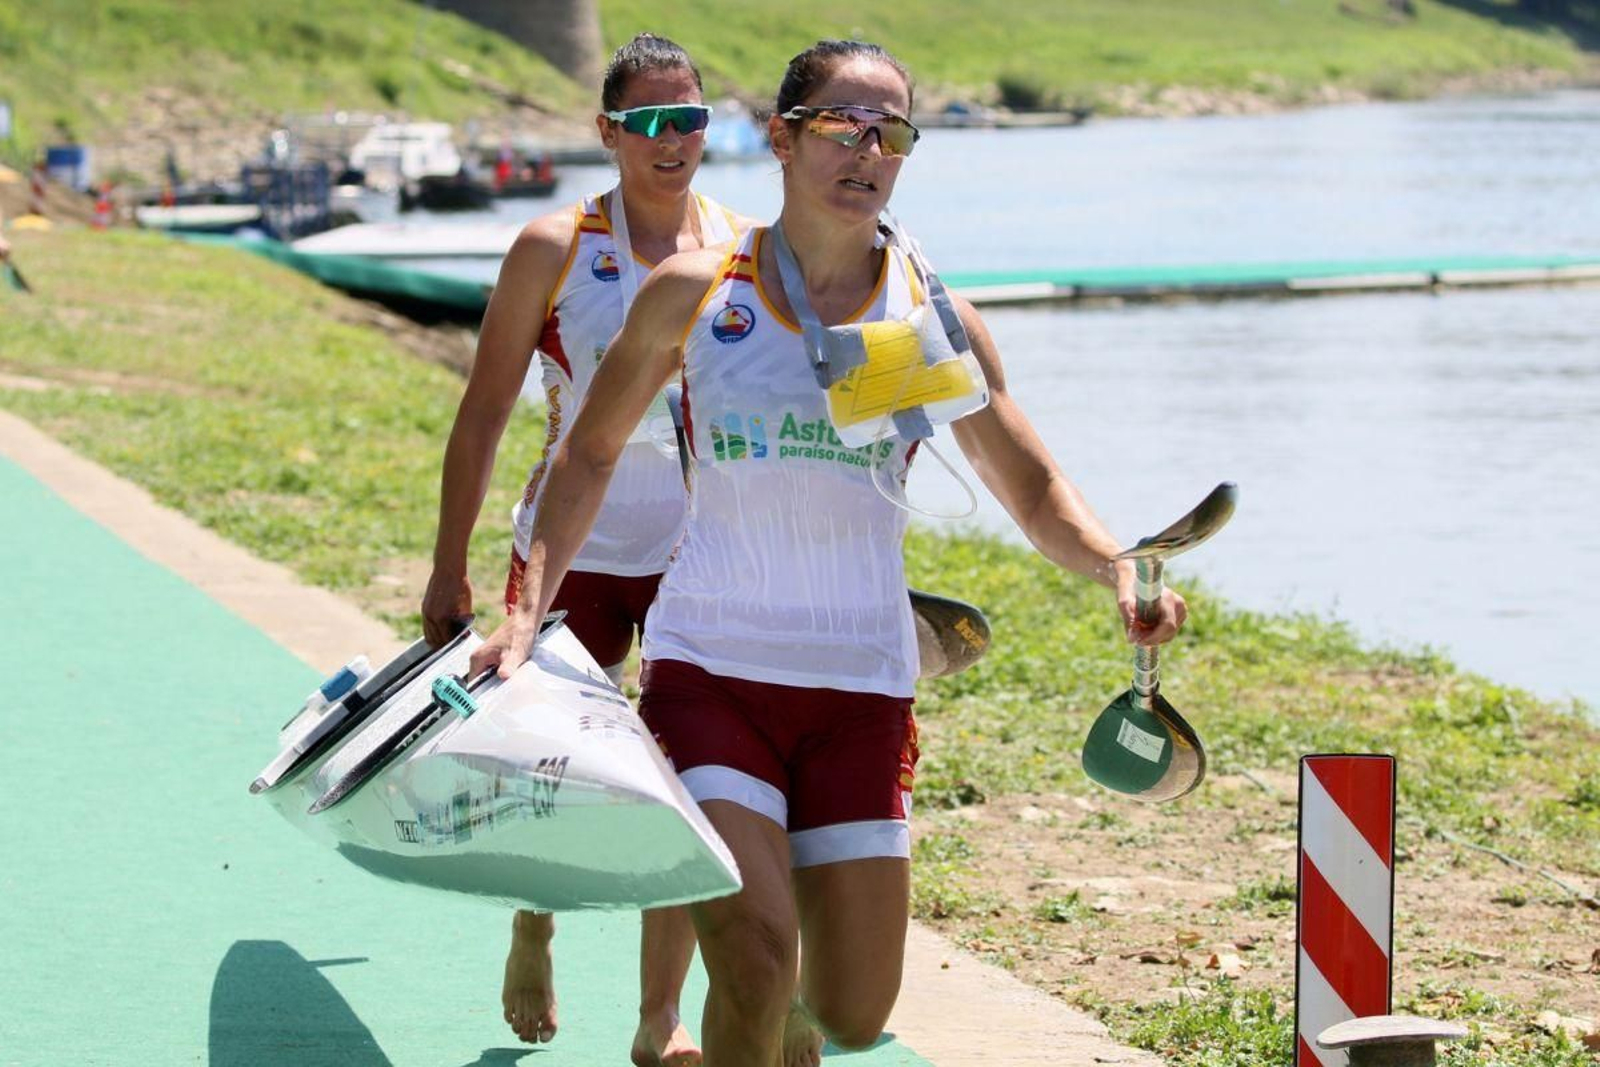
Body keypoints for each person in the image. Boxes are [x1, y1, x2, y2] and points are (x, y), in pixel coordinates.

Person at [469, 39, 1189, 1067]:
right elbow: (585, 455)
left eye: (890, 132)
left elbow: (1028, 487)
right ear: (780, 137)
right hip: (710, 667)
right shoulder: (694, 288)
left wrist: (1117, 564)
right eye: (842, 127)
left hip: (859, 685)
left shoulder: (926, 322)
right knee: (755, 960)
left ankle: (792, 1022)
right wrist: (522, 610)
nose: (868, 151)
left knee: (846, 1013)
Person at [422, 32, 754, 1066]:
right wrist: (447, 564)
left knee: (688, 777)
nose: (671, 140)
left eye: (688, 118)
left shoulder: (743, 243)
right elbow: (482, 414)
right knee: (557, 767)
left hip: (696, 552)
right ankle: (535, 915)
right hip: (573, 548)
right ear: (607, 132)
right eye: (647, 121)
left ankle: (660, 1017)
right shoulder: (553, 246)